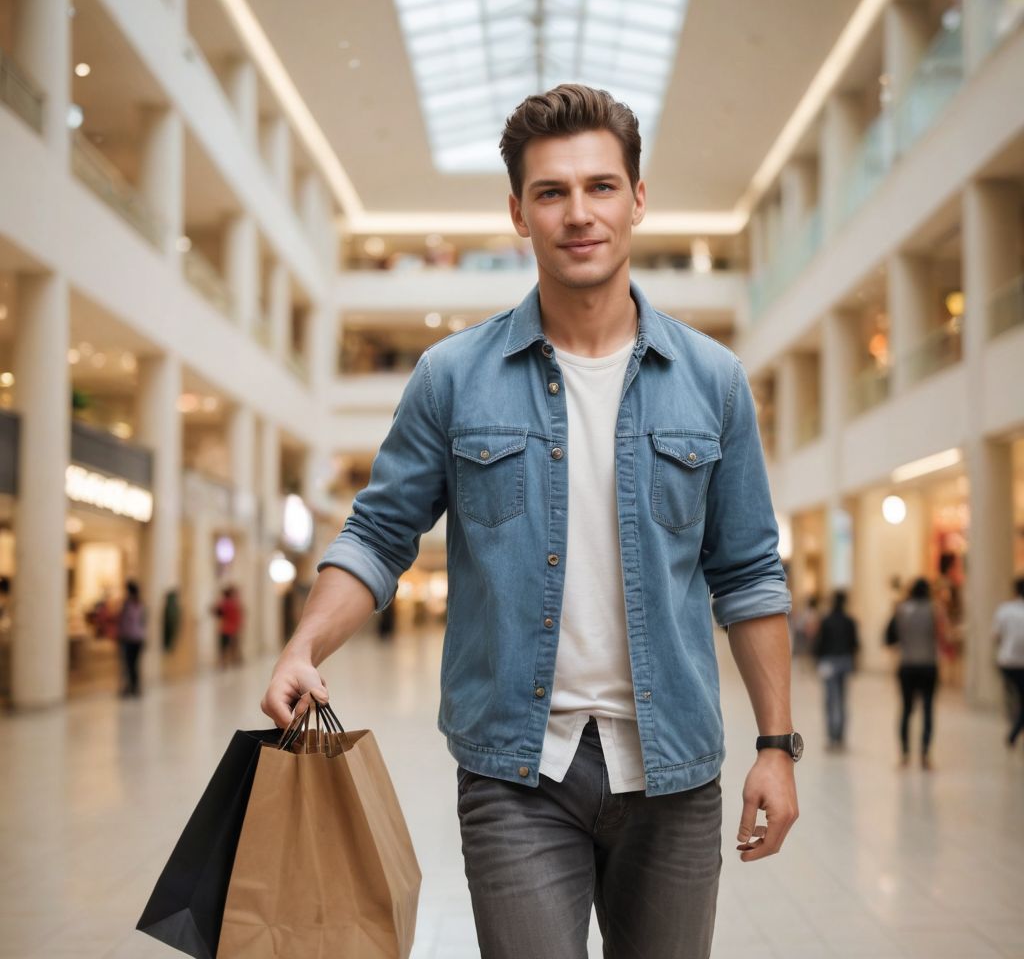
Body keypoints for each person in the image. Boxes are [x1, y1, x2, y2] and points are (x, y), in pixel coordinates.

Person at [260, 84, 799, 959]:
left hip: (676, 772)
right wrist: (303, 646)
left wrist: (777, 745)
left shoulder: (714, 380)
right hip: (516, 772)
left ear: (637, 198)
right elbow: (378, 533)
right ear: (518, 211)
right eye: (551, 192)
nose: (578, 214)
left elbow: (747, 573)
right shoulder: (452, 377)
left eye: (600, 187)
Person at [887, 577, 948, 769]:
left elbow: (892, 636)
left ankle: (904, 754)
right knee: (928, 709)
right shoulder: (934, 609)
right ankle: (925, 754)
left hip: (907, 665)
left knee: (906, 709)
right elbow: (943, 635)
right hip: (928, 664)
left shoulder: (901, 609)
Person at [811, 589, 859, 751]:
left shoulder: (826, 621)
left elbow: (820, 643)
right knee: (843, 700)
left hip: (829, 661)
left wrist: (816, 661)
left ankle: (832, 736)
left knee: (831, 700)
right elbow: (855, 644)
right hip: (845, 660)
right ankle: (841, 736)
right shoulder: (849, 621)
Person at [994, 576, 1024, 749]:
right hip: (1018, 663)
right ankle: (1015, 729)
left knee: (1013, 698)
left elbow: (996, 636)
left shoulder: (1004, 610)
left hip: (1007, 661)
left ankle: (1014, 729)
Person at [117, 580, 146, 697]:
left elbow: (123, 621)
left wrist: (122, 635)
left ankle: (132, 687)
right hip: (138, 638)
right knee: (133, 665)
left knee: (129, 665)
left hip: (129, 638)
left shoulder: (128, 604)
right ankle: (133, 687)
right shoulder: (140, 604)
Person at [213, 585, 243, 668]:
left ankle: (223, 662)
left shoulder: (225, 603)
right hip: (234, 628)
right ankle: (235, 660)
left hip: (225, 628)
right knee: (234, 645)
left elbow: (218, 613)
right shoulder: (235, 603)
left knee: (223, 647)